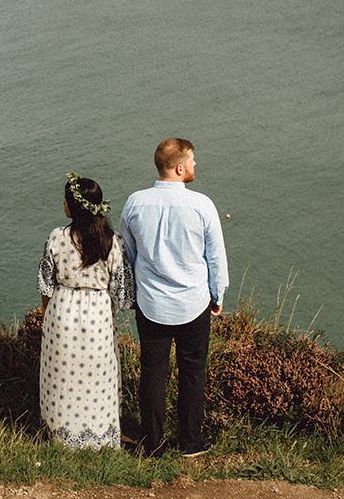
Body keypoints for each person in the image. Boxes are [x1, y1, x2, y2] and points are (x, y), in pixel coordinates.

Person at [119, 138, 229, 457]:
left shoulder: (135, 203)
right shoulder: (202, 205)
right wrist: (217, 294)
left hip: (151, 303)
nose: (196, 165)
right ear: (180, 168)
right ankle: (190, 442)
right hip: (194, 303)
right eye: (192, 160)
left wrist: (134, 294)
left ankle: (153, 443)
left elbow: (128, 254)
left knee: (152, 374)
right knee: (192, 372)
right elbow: (215, 257)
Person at [37, 172, 135, 449]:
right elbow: (123, 294)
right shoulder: (112, 242)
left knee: (61, 374)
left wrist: (47, 314)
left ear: (74, 206)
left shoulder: (56, 237)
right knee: (98, 374)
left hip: (62, 312)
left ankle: (60, 434)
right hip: (99, 316)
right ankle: (100, 434)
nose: (63, 205)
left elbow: (46, 283)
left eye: (66, 200)